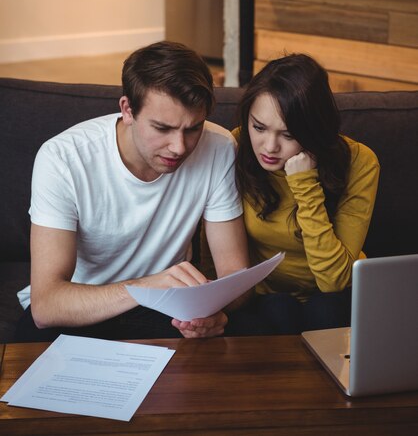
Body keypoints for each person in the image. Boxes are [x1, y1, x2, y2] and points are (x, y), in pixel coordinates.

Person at [15, 41, 251, 342]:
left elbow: (236, 277)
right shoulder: (63, 158)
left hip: (164, 310)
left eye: (193, 128)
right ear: (127, 109)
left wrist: (212, 312)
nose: (179, 147)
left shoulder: (218, 148)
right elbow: (47, 305)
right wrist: (145, 287)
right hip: (79, 310)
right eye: (162, 129)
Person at [233, 53, 380, 334]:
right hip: (266, 297)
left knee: (325, 309)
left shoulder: (360, 162)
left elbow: (334, 281)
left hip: (334, 295)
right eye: (259, 127)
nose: (269, 147)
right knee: (279, 309)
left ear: (314, 131)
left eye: (288, 135)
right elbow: (213, 250)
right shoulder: (235, 148)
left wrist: (304, 184)